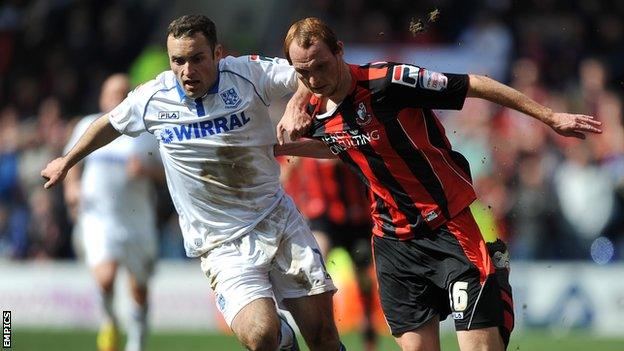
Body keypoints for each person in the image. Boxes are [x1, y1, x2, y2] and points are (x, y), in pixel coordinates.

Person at [276, 17, 602, 351]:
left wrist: (550, 117)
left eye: (321, 66)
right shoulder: (312, 109)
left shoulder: (389, 81)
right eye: (303, 73)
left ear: (340, 51)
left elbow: (474, 84)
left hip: (447, 227)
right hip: (392, 242)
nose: (314, 79)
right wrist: (278, 142)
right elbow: (342, 144)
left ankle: (495, 291)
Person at [42, 14, 346, 351]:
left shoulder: (248, 72)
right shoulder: (153, 97)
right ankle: (282, 338)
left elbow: (306, 73)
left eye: (197, 58)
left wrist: (296, 103)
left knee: (324, 339)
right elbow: (109, 124)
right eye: (178, 60)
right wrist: (67, 161)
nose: (188, 70)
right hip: (221, 244)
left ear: (217, 53)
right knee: (262, 336)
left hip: (279, 221)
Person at [63, 73, 163, 351]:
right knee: (105, 278)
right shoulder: (88, 125)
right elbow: (70, 163)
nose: (118, 97)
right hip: (98, 218)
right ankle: (109, 320)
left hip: (137, 219)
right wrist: (71, 189)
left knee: (138, 287)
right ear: (102, 97)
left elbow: (170, 174)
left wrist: (146, 170)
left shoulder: (146, 132)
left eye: (124, 92)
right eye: (113, 92)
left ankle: (137, 340)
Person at [279, 157, 378, 350]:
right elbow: (284, 175)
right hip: (322, 216)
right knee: (313, 266)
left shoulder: (337, 133)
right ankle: (318, 321)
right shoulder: (300, 143)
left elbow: (333, 158)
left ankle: (368, 325)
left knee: (365, 278)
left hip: (356, 218)